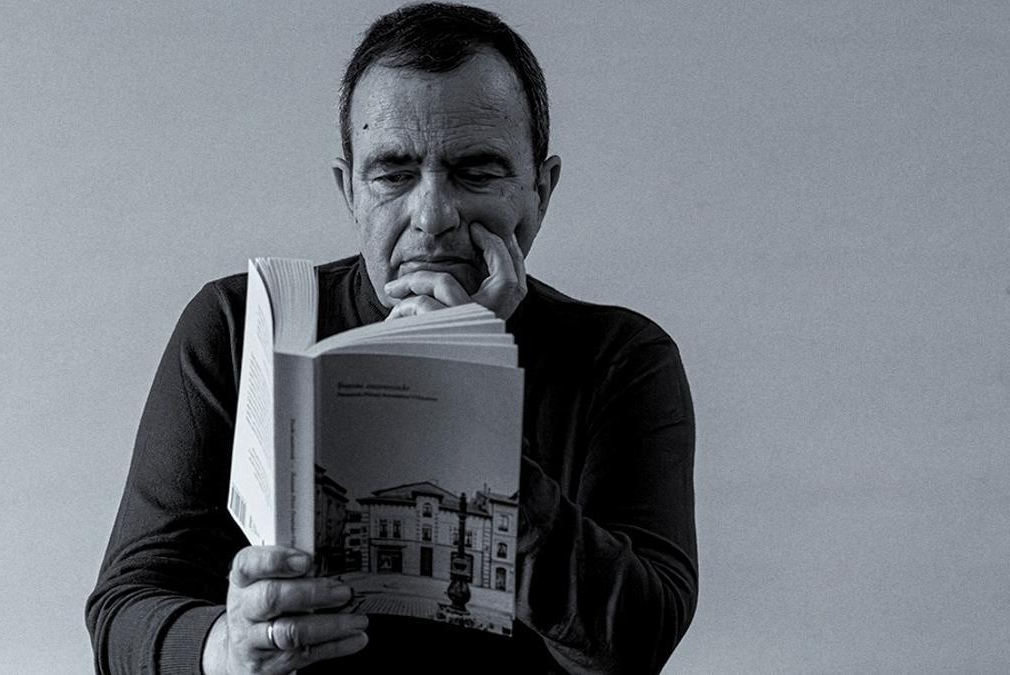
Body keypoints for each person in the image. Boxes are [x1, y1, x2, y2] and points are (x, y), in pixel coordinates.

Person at [86, 4, 697, 673]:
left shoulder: (623, 359)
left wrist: (464, 395)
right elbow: (123, 611)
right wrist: (224, 647)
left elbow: (635, 644)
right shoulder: (235, 326)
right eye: (394, 173)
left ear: (539, 191)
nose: (432, 216)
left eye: (477, 169)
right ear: (351, 191)